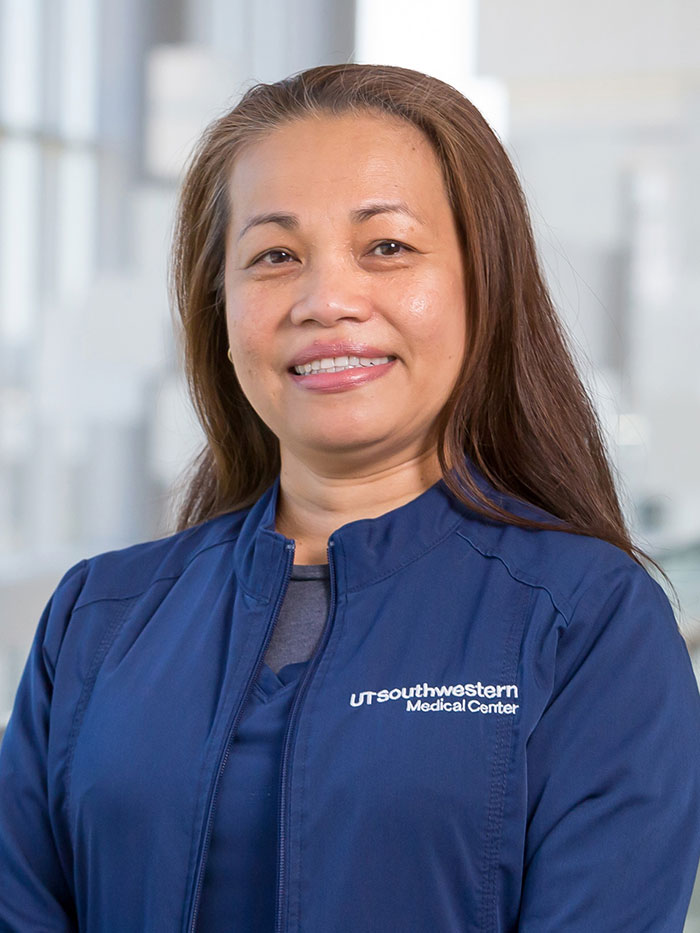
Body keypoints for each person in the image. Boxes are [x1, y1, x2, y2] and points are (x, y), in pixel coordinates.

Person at [1, 62, 699, 932]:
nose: (326, 300)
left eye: (387, 247)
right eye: (275, 256)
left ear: (482, 285)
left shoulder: (590, 623)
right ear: (218, 306)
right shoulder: (95, 621)